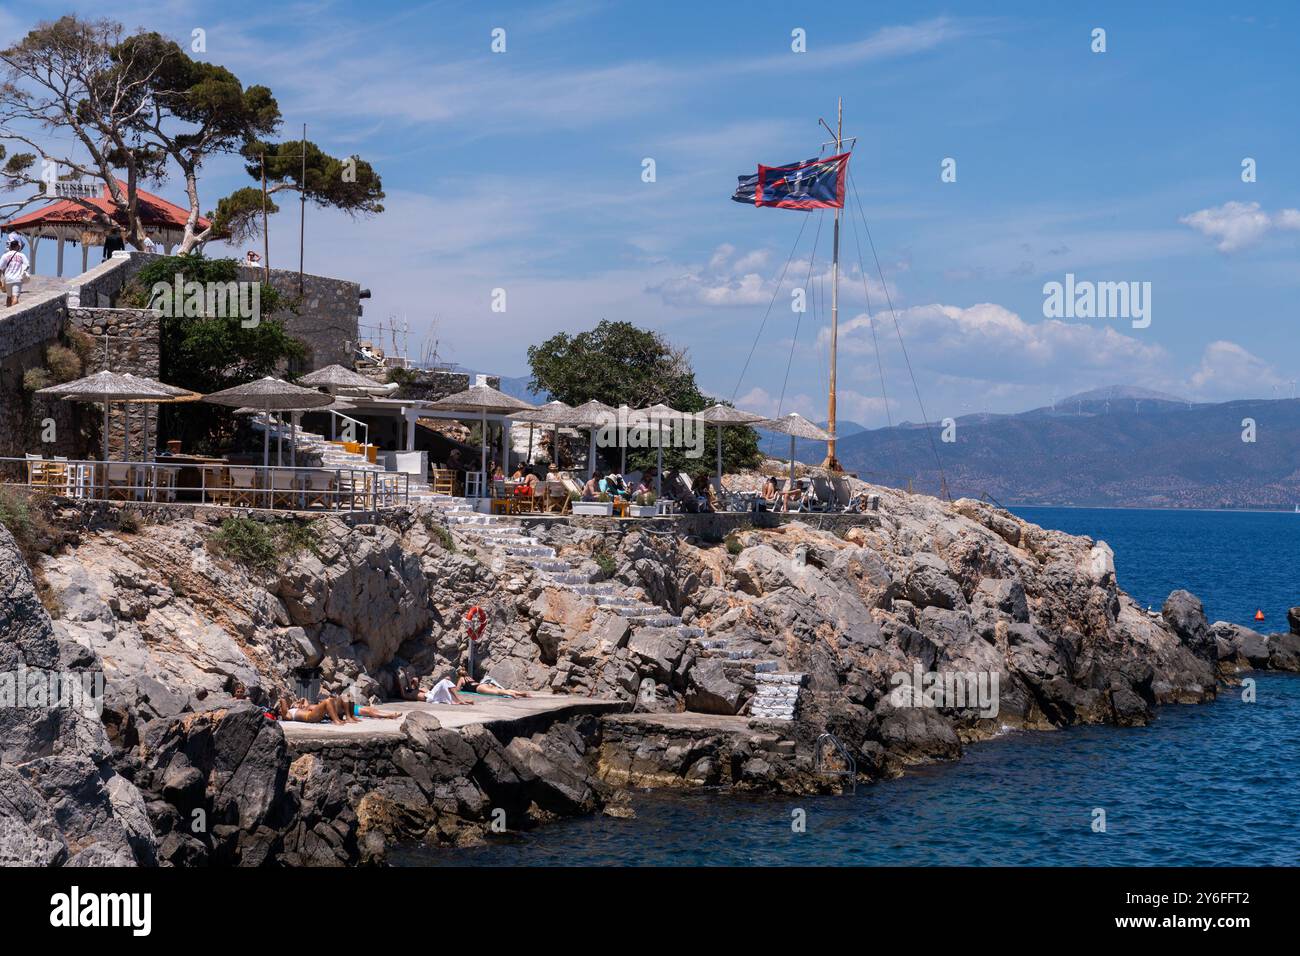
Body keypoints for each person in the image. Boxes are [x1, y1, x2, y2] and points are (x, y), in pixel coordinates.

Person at [455, 666, 533, 699]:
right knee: (502, 690)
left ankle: (510, 694)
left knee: (498, 692)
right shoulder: (470, 678)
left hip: (479, 688)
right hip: (484, 685)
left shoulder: (461, 678)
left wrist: (459, 687)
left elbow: (458, 690)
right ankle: (520, 693)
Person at [2, 240, 30, 308]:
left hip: (8, 279)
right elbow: (27, 265)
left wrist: (1, 279)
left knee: (9, 297)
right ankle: (12, 311)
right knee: (15, 297)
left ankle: (8, 312)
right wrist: (23, 271)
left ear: (10, 247)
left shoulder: (5, 255)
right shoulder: (21, 255)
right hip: (17, 279)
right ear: (17, 247)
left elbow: (0, 268)